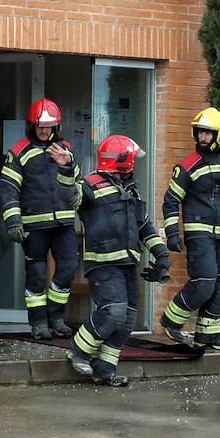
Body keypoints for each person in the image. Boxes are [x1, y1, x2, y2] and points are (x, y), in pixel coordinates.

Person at [64, 134, 169, 386]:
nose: (134, 163)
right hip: (102, 263)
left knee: (127, 319)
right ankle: (78, 351)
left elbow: (144, 226)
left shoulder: (130, 188)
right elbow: (70, 197)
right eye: (132, 158)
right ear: (122, 160)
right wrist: (67, 169)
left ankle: (104, 368)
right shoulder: (90, 184)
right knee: (113, 313)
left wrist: (162, 256)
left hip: (127, 263)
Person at [159, 107, 220, 349]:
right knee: (204, 283)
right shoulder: (187, 166)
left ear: (219, 136)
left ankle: (207, 336)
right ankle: (171, 321)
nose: (202, 137)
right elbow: (171, 201)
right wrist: (172, 232)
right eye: (200, 132)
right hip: (199, 234)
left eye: (208, 133)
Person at [0, 98, 81, 340]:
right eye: (40, 126)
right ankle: (38, 323)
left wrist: (67, 164)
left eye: (49, 126)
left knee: (67, 268)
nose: (44, 131)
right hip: (34, 225)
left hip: (64, 222)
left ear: (57, 126)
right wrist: (13, 220)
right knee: (35, 274)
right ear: (31, 126)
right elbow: (8, 187)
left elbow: (76, 180)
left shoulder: (65, 148)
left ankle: (56, 316)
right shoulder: (19, 151)